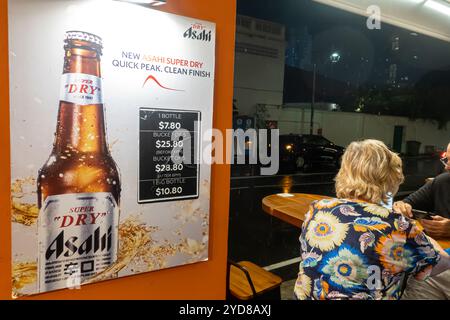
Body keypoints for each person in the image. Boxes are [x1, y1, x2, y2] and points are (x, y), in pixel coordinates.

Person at [294, 139, 450, 300]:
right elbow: (440, 265)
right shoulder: (399, 228)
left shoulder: (317, 209)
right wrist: (424, 238)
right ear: (391, 178)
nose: (446, 165)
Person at [394, 142, 450, 300]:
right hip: (437, 267)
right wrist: (401, 206)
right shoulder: (442, 182)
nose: (446, 167)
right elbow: (405, 204)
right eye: (446, 160)